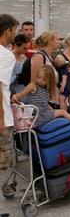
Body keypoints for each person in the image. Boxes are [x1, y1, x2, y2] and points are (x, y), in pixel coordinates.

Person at [12, 65, 70, 132]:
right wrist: (14, 97)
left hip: (40, 115)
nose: (40, 80)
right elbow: (20, 95)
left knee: (62, 113)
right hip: (38, 116)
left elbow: (44, 104)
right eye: (39, 77)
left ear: (48, 81)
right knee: (63, 112)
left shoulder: (45, 89)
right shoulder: (32, 85)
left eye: (43, 79)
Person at [0, 14, 19, 176]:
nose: (15, 34)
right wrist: (1, 119)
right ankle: (7, 188)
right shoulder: (6, 55)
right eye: (14, 30)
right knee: (4, 162)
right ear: (7, 32)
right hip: (2, 117)